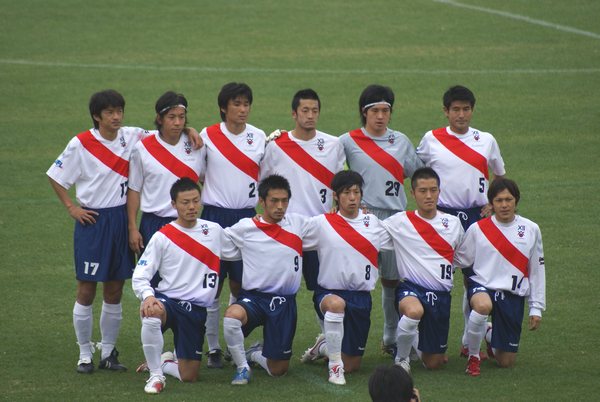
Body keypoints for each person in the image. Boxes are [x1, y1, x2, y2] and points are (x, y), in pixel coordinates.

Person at [47, 89, 143, 374]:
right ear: (96, 116)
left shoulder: (132, 136)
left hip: (120, 220)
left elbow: (164, 132)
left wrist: (188, 129)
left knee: (114, 288)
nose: (116, 117)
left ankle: (109, 352)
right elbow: (55, 175)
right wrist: (71, 207)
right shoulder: (81, 143)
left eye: (119, 111)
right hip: (92, 222)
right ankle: (85, 353)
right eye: (110, 112)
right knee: (87, 288)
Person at [416, 85, 506, 357]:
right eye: (455, 109)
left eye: (466, 109)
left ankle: (470, 339)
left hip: (477, 217)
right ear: (446, 111)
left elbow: (500, 175)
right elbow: (419, 175)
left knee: (474, 279)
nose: (461, 115)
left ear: (472, 110)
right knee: (436, 278)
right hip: (442, 217)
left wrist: (491, 203)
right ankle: (429, 341)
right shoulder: (431, 139)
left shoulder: (486, 140)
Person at [339, 85, 423, 356]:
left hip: (394, 219)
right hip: (361, 218)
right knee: (353, 280)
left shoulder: (401, 141)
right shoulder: (347, 141)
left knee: (391, 279)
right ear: (364, 112)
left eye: (385, 111)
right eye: (374, 110)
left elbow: (417, 173)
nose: (380, 116)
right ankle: (341, 336)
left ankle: (391, 336)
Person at [260, 88, 345, 335]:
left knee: (323, 288)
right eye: (305, 110)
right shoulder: (276, 147)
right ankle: (274, 342)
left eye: (314, 111)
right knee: (280, 289)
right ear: (294, 114)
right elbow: (263, 185)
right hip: (285, 231)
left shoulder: (333, 144)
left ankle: (327, 339)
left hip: (320, 231)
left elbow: (341, 183)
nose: (310, 115)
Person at [131, 178, 225, 394]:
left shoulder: (215, 231)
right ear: (174, 204)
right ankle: (156, 375)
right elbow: (140, 275)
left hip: (196, 310)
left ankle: (163, 361)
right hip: (169, 303)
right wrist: (148, 296)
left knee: (189, 376)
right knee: (152, 312)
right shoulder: (162, 237)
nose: (191, 207)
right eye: (185, 202)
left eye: (195, 201)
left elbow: (238, 248)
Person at [301, 170, 392, 385]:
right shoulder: (322, 223)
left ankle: (323, 346)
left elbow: (403, 238)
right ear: (335, 196)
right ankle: (335, 367)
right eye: (346, 193)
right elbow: (292, 234)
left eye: (356, 192)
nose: (352, 198)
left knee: (352, 365)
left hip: (361, 298)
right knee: (336, 305)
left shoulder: (373, 223)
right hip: (329, 294)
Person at [199, 82, 266, 368]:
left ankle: (232, 342)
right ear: (223, 107)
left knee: (240, 283)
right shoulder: (207, 135)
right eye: (236, 104)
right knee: (213, 284)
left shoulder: (259, 137)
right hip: (214, 217)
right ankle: (213, 347)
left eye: (246, 104)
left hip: (246, 219)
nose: (242, 109)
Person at [454, 178, 546, 377]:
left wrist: (536, 307)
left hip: (512, 295)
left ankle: (487, 332)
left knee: (506, 362)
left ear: (516, 200)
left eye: (508, 199)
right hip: (482, 287)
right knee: (482, 306)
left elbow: (537, 269)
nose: (504, 205)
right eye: (499, 200)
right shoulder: (477, 229)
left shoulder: (531, 229)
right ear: (491, 203)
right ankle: (473, 357)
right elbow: (460, 259)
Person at [221, 175, 306, 385]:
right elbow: (214, 240)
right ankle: (242, 367)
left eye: (284, 201)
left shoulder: (298, 223)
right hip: (254, 299)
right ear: (262, 201)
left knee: (278, 370)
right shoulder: (245, 228)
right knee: (232, 316)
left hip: (284, 303)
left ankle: (254, 354)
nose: (280, 206)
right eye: (274, 201)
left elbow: (328, 225)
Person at [382, 168, 464, 373]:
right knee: (413, 311)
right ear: (413, 193)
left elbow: (463, 256)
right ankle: (401, 359)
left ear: (439, 191)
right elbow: (368, 233)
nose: (429, 196)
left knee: (434, 364)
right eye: (423, 191)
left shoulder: (453, 224)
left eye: (433, 190)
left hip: (441, 297)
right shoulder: (399, 221)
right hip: (411, 289)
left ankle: (414, 335)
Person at [127, 91, 204, 264]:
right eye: (171, 117)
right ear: (159, 119)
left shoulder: (197, 145)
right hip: (154, 224)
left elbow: (205, 180)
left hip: (189, 224)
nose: (177, 122)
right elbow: (134, 190)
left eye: (181, 117)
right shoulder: (142, 149)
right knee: (153, 276)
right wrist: (132, 228)